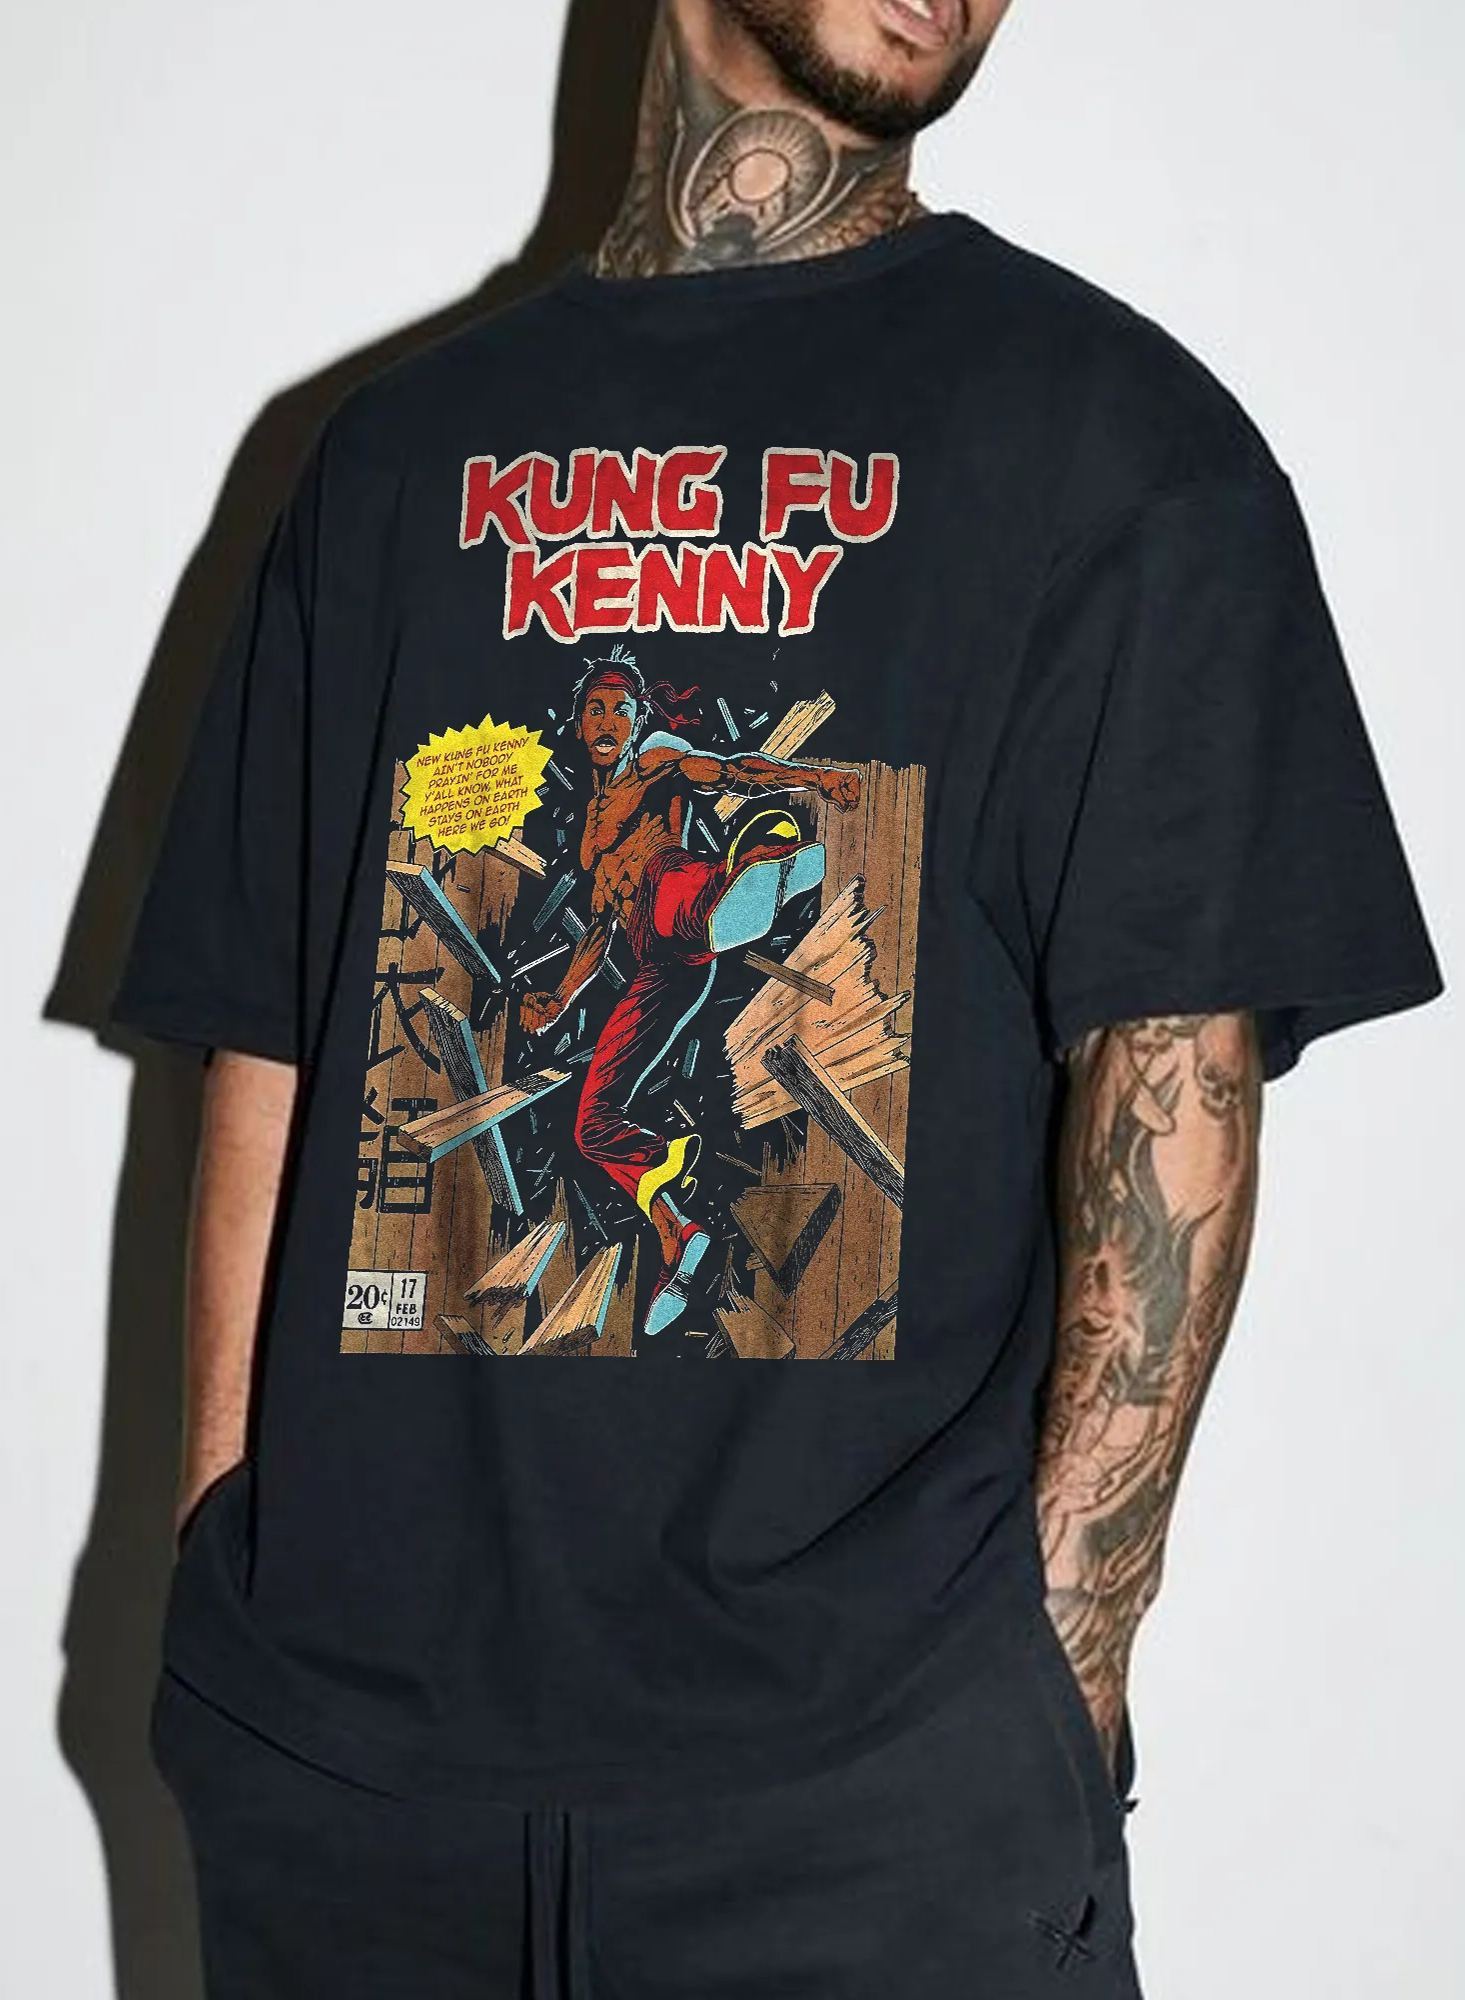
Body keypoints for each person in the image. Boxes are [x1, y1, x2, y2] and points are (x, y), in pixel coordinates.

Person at [110, 2, 1441, 1994]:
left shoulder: (1117, 447)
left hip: (870, 1817)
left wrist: (1055, 1676)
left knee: (647, 1111)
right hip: (356, 1791)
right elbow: (270, 1024)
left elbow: (1174, 1071)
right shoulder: (391, 461)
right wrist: (224, 1569)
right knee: (595, 1116)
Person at [522, 650, 861, 1334]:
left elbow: (734, 769)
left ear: (637, 718)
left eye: (620, 708)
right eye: (595, 709)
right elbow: (599, 931)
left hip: (675, 899)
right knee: (592, 1126)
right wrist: (559, 999)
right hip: (659, 968)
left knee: (669, 892)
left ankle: (748, 884)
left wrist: (815, 778)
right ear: (578, 724)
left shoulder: (655, 760)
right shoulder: (588, 831)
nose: (608, 721)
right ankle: (679, 1235)